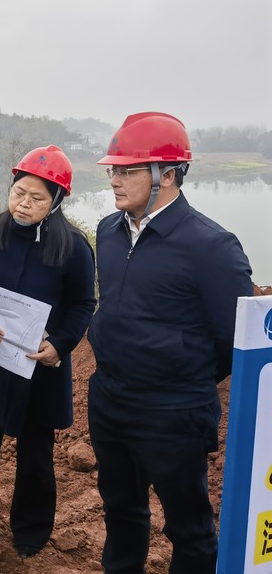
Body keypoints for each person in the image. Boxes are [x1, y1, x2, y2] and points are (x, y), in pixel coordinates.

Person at [87, 112, 253, 573]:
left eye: (127, 170)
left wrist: (178, 375)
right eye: (113, 170)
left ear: (168, 174)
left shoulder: (211, 247)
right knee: (121, 511)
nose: (114, 180)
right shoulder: (109, 231)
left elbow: (233, 339)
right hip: (109, 400)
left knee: (189, 527)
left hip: (173, 412)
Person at [0, 145, 96, 558]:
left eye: (37, 198)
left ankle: (31, 527)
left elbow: (83, 304)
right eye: (19, 193)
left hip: (39, 362)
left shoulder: (72, 247)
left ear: (57, 201)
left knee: (36, 447)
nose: (24, 204)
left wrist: (60, 345)